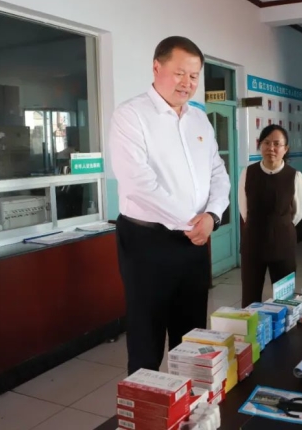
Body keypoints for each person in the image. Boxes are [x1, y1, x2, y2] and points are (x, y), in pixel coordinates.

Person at [109, 36, 230, 375]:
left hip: (194, 242)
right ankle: (147, 403)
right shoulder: (131, 115)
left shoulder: (199, 120)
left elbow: (218, 173)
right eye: (179, 73)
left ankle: (191, 403)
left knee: (191, 338)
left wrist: (212, 216)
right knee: (146, 341)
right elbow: (139, 183)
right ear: (156, 67)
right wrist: (193, 221)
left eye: (194, 76)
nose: (187, 83)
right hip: (146, 242)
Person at [238, 124, 302, 306]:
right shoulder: (248, 173)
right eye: (266, 143)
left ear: (285, 149)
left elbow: (299, 212)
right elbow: (244, 209)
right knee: (250, 298)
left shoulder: (294, 176)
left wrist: (278, 225)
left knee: (284, 300)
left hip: (283, 244)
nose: (271, 148)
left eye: (277, 144)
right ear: (260, 145)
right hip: (253, 244)